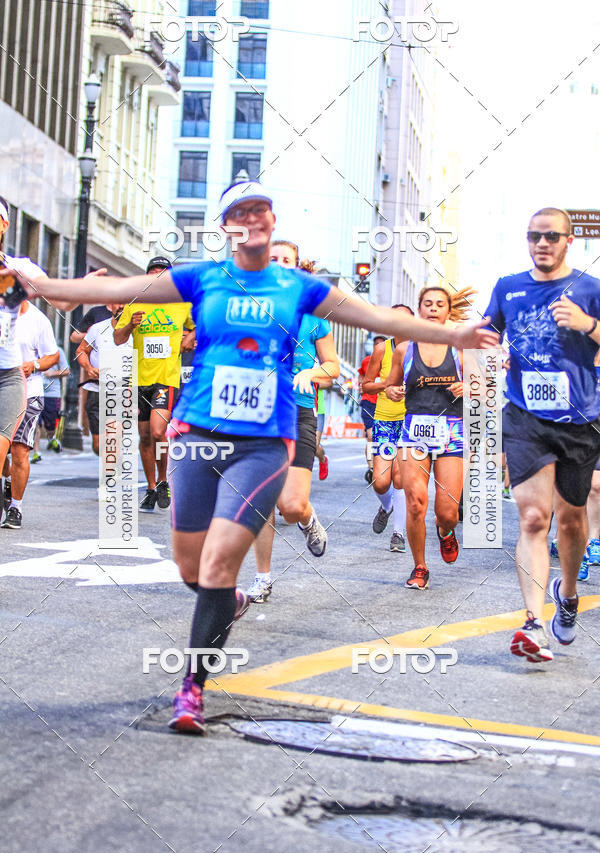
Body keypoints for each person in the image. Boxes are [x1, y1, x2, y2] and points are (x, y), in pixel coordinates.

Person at [4, 180, 498, 733]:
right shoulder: (201, 278)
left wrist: (453, 332)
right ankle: (228, 599)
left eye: (262, 207)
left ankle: (192, 689)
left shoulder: (298, 286)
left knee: (216, 563)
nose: (254, 217)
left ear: (270, 219)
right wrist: (45, 283)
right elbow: (120, 287)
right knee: (192, 568)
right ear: (226, 227)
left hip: (265, 444)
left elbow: (378, 319)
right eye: (240, 210)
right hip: (198, 435)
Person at [483, 207, 600, 663]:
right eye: (534, 235)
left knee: (572, 520)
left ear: (569, 240)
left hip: (580, 421)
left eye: (552, 235)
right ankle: (533, 624)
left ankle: (566, 595)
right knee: (534, 518)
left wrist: (587, 325)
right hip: (525, 417)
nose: (542, 243)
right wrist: (490, 350)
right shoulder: (508, 287)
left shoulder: (590, 290)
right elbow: (488, 335)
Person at [246, 240, 340, 604]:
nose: (280, 264)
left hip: (297, 408)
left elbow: (332, 368)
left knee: (291, 505)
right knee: (261, 500)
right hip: (258, 410)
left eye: (287, 260)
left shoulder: (313, 315)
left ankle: (308, 519)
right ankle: (263, 577)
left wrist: (312, 372)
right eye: (274, 259)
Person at [385, 287, 464, 588]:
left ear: (447, 310)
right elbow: (392, 386)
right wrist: (393, 391)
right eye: (427, 304)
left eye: (439, 304)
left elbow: (485, 384)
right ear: (419, 309)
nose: (433, 308)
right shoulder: (405, 349)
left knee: (448, 511)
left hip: (451, 431)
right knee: (415, 501)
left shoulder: (459, 348)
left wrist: (469, 387)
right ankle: (420, 567)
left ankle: (445, 531)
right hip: (413, 431)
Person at [113, 256, 196, 512]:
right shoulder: (135, 303)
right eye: (153, 272)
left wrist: (188, 340)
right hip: (139, 380)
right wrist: (129, 325)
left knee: (159, 431)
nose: (157, 276)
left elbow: (202, 327)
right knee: (145, 436)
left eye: (162, 273)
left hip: (166, 378)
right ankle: (151, 487)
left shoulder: (182, 304)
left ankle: (163, 480)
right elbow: (117, 338)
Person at [0, 197, 47, 515]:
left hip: (7, 377)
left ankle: (13, 502)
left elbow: (62, 297)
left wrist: (81, 289)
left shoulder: (18, 269)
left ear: (4, 225)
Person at [2, 298, 58, 528]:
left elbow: (52, 356)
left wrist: (33, 364)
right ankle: (8, 480)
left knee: (19, 449)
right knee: (2, 450)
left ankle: (15, 507)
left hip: (30, 391)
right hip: (3, 389)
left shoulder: (38, 320)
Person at [362, 308, 414, 552]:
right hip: (384, 419)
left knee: (399, 478)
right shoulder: (382, 349)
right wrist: (387, 386)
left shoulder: (422, 347)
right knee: (380, 482)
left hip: (410, 421)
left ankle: (398, 533)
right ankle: (386, 506)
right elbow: (367, 385)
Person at [76, 303, 128, 456]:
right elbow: (81, 351)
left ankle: (113, 472)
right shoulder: (98, 328)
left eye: (126, 303)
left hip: (120, 390)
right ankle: (110, 463)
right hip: (96, 389)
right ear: (111, 306)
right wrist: (89, 368)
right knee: (98, 445)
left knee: (113, 436)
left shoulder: (137, 330)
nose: (122, 306)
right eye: (119, 303)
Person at [31, 345, 70, 461]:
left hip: (52, 393)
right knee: (35, 424)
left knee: (50, 425)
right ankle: (36, 452)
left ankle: (51, 437)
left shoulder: (57, 351)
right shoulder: (32, 351)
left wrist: (51, 374)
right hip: (35, 392)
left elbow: (66, 370)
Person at [358, 335, 386, 483]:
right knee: (371, 436)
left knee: (383, 438)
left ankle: (384, 466)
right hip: (369, 402)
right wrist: (361, 387)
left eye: (382, 344)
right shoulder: (367, 361)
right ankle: (371, 469)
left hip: (386, 402)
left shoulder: (393, 358)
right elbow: (361, 375)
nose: (379, 346)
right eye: (376, 344)